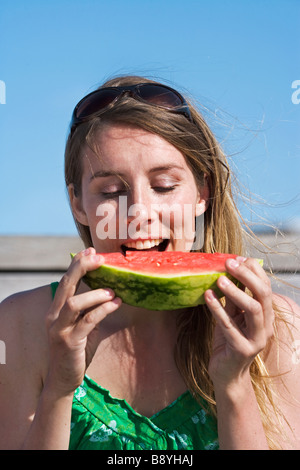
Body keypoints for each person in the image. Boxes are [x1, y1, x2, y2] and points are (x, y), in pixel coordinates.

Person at [0, 75, 299, 450]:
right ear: (78, 204)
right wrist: (59, 388)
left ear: (202, 193)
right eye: (111, 191)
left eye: (164, 186)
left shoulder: (279, 330)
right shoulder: (18, 328)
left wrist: (234, 383)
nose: (139, 211)